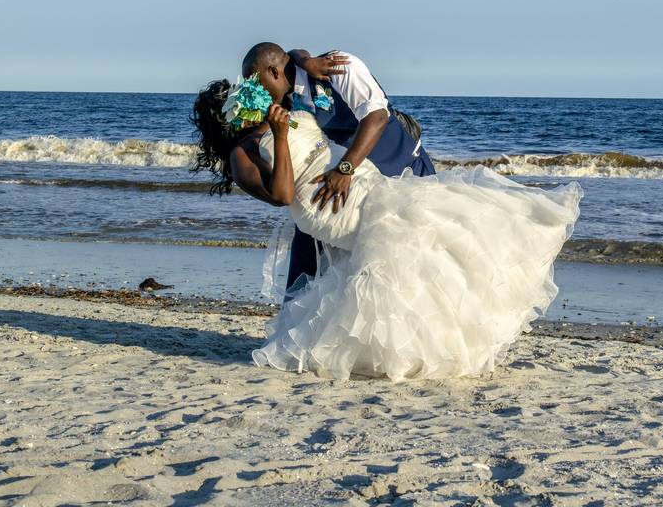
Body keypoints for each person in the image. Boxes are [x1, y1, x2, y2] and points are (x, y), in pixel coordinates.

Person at [191, 75, 582, 382]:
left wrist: (306, 64)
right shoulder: (240, 155)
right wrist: (277, 134)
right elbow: (282, 194)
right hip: (326, 204)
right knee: (410, 226)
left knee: (428, 227)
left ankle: (437, 344)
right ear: (228, 117)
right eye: (241, 97)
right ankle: (407, 350)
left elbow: (294, 73)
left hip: (359, 179)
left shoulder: (285, 110)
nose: (254, 95)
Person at [239, 43, 436, 294]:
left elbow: (376, 119)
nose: (256, 91)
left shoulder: (340, 67)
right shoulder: (287, 96)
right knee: (311, 248)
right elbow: (291, 56)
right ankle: (297, 320)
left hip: (400, 170)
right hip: (355, 186)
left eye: (256, 82)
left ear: (273, 72)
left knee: (416, 260)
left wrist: (344, 170)